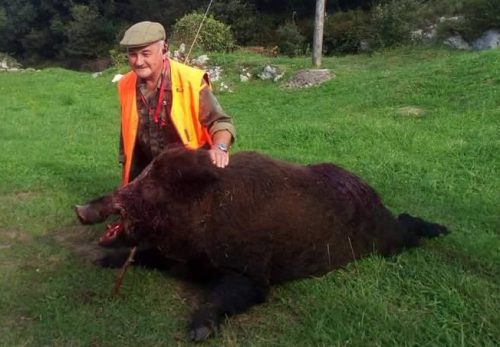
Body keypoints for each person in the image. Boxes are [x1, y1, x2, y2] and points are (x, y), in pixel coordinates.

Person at [117, 21, 236, 185]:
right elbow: (127, 133)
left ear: (164, 50)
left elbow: (221, 122)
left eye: (146, 54)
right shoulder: (125, 84)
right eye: (132, 54)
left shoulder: (191, 81)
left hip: (189, 167)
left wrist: (220, 148)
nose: (138, 61)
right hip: (148, 168)